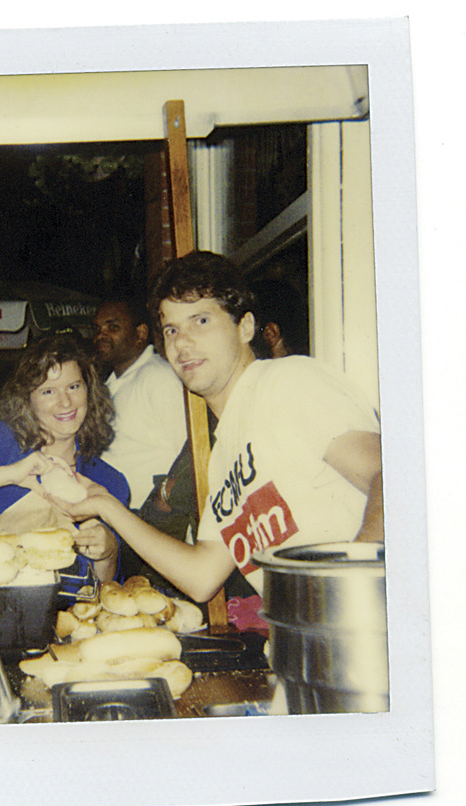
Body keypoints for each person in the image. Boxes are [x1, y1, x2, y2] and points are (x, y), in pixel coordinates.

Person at [48, 250, 383, 606]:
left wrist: (354, 594)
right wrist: (107, 505)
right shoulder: (223, 457)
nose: (182, 341)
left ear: (246, 327)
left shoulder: (287, 383)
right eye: (171, 329)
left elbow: (391, 476)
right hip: (305, 642)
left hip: (359, 632)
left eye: (201, 321)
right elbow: (201, 576)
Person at [0, 334, 130, 599]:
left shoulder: (110, 482)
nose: (65, 402)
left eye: (74, 386)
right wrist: (6, 475)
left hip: (65, 625)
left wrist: (108, 554)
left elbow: (106, 592)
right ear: (28, 400)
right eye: (48, 391)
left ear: (90, 390)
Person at [93, 298, 187, 509]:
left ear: (141, 334)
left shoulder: (158, 377)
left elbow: (188, 455)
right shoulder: (110, 384)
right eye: (98, 328)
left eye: (112, 327)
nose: (101, 335)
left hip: (149, 519)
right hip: (117, 515)